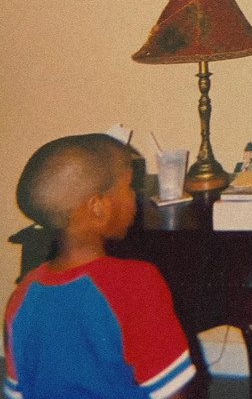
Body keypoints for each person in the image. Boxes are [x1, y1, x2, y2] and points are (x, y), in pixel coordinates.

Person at [3, 133, 196, 399]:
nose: (135, 196)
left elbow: (18, 392)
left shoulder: (21, 295)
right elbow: (172, 391)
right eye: (128, 187)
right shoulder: (135, 282)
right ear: (98, 207)